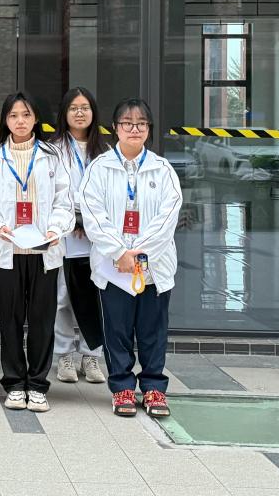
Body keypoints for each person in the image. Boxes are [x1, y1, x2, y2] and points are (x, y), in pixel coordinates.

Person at [80, 99, 182, 418]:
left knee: (153, 331)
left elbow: (168, 217)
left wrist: (139, 254)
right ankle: (122, 386)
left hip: (154, 267)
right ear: (115, 128)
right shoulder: (99, 168)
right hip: (114, 268)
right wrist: (119, 252)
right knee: (117, 331)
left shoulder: (162, 170)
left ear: (148, 129)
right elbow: (93, 214)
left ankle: (153, 388)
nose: (134, 129)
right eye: (127, 123)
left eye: (141, 123)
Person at [0, 92, 74, 413]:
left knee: (42, 319)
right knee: (10, 319)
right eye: (13, 115)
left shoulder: (52, 155)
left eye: (26, 115)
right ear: (5, 120)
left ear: (36, 119)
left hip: (44, 250)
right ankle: (14, 383)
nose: (20, 121)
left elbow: (64, 200)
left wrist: (56, 229)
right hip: (8, 249)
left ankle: (37, 384)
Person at [49, 88, 108, 385]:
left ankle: (91, 354)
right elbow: (51, 192)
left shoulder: (105, 151)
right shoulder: (53, 149)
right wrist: (72, 218)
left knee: (94, 295)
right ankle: (64, 354)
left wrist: (91, 219)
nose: (80, 113)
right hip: (65, 232)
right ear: (65, 113)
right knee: (61, 297)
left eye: (85, 107)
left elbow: (109, 193)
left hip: (96, 236)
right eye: (74, 108)